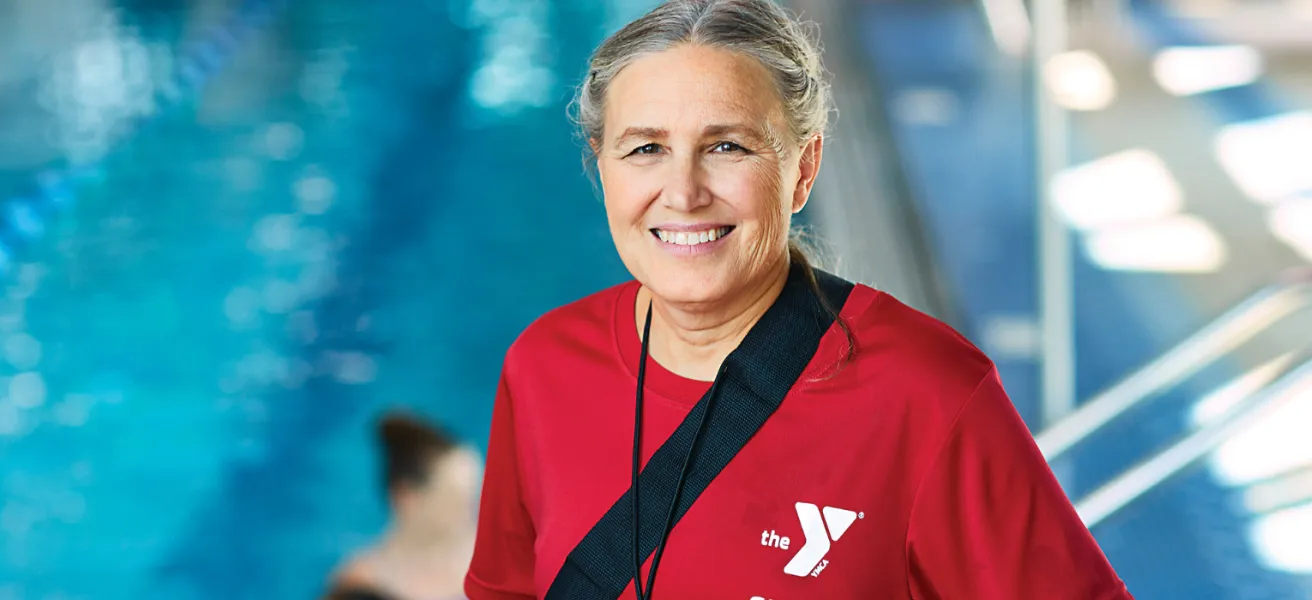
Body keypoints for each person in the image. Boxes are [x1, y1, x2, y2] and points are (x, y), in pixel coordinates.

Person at [464, 1, 1133, 599]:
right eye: (645, 148)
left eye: (727, 146)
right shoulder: (545, 366)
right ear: (601, 165)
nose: (684, 192)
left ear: (803, 170)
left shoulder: (926, 395)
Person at [329, 413, 481, 600]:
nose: (471, 512)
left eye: (473, 497)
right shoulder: (360, 586)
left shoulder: (493, 565)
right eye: (456, 501)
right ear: (406, 496)